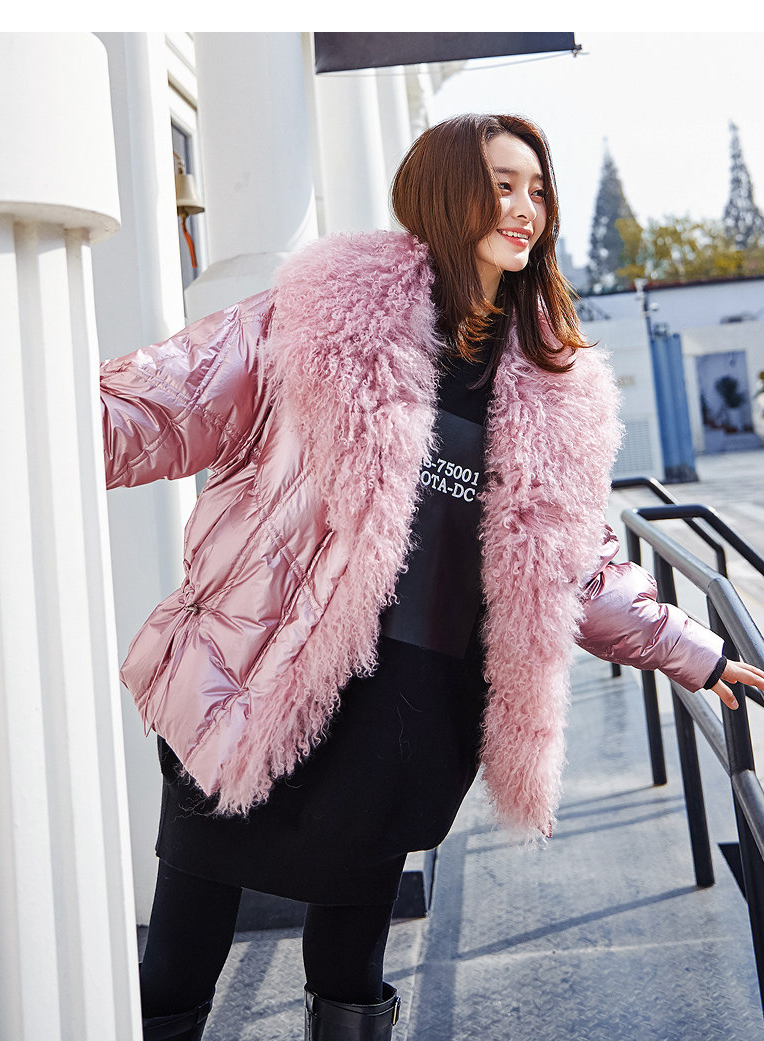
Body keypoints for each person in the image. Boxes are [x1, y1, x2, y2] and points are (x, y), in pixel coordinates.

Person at [100, 113, 764, 1041]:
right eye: (502, 185)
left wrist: (694, 649)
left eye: (538, 190)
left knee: (350, 962)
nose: (526, 209)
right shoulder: (318, 312)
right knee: (180, 951)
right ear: (445, 192)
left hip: (408, 709)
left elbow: (573, 569)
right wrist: (31, 413)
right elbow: (168, 402)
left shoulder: (551, 376)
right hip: (260, 678)